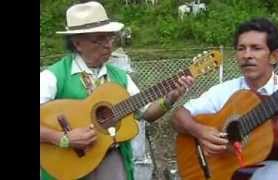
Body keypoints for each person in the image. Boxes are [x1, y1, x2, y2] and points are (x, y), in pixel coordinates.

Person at [40, 1, 194, 180]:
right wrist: (62, 138)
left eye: (110, 37)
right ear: (77, 44)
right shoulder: (54, 76)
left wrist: (169, 99)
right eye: (99, 39)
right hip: (67, 164)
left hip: (111, 162)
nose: (108, 45)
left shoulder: (120, 77)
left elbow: (147, 113)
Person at [173, 17, 278, 180]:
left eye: (256, 48)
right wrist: (200, 131)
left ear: (274, 56)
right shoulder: (225, 90)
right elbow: (179, 116)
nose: (247, 55)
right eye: (241, 48)